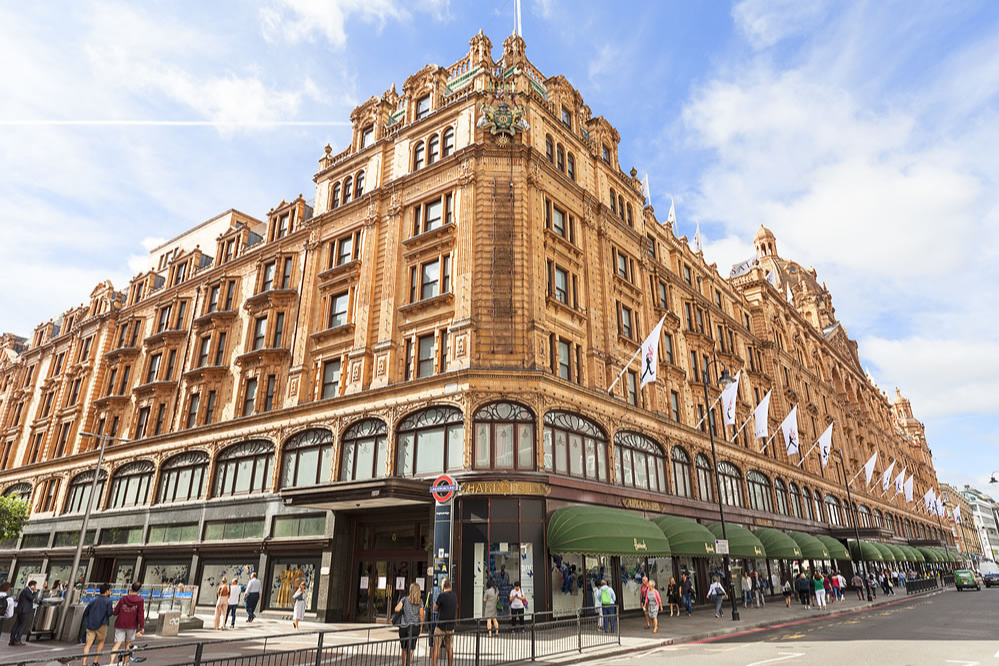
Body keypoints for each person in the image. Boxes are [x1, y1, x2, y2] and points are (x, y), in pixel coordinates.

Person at [111, 582, 145, 663]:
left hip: (120, 623)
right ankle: (125, 663)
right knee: (128, 645)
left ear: (131, 588)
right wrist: (142, 627)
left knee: (117, 644)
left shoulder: (123, 599)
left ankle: (111, 662)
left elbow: (115, 612)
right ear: (139, 590)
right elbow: (140, 614)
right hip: (132, 625)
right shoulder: (140, 600)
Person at [81, 584, 114, 666]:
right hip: (102, 624)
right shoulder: (108, 601)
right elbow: (109, 613)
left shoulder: (93, 600)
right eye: (109, 590)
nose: (110, 592)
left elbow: (86, 612)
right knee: (101, 641)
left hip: (91, 623)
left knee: (88, 644)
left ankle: (84, 663)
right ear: (107, 591)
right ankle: (95, 661)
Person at [432, 579, 457, 666]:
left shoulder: (441, 595)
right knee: (449, 648)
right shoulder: (454, 595)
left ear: (443, 586)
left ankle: (433, 664)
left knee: (436, 647)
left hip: (441, 626)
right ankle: (450, 664)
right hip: (451, 626)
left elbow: (435, 608)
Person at [8, 579, 37, 647]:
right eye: (35, 585)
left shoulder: (25, 590)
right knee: (22, 625)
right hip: (24, 610)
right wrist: (35, 592)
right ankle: (17, 640)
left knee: (17, 624)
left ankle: (12, 640)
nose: (36, 587)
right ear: (32, 585)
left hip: (21, 610)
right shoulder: (27, 591)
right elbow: (31, 598)